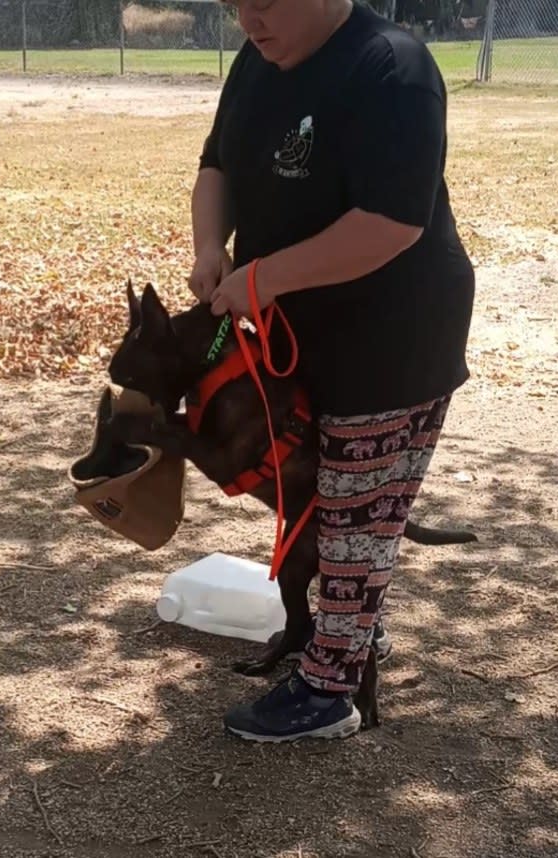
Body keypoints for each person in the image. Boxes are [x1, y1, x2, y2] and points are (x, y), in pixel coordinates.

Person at [188, 0, 475, 741]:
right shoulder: (261, 58)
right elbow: (216, 161)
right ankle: (348, 634)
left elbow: (390, 223)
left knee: (355, 514)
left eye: (265, 2)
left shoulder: (393, 71)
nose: (248, 20)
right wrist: (209, 249)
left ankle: (330, 690)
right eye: (233, 4)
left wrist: (266, 277)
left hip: (395, 337)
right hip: (301, 336)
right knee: (324, 499)